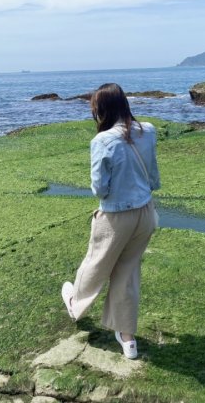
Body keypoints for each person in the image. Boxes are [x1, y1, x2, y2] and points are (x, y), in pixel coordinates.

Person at [61, 82, 160, 359]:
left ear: (101, 110)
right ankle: (128, 340)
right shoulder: (148, 131)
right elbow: (153, 175)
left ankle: (75, 304)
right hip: (146, 213)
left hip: (116, 216)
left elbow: (99, 188)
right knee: (127, 273)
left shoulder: (102, 141)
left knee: (95, 265)